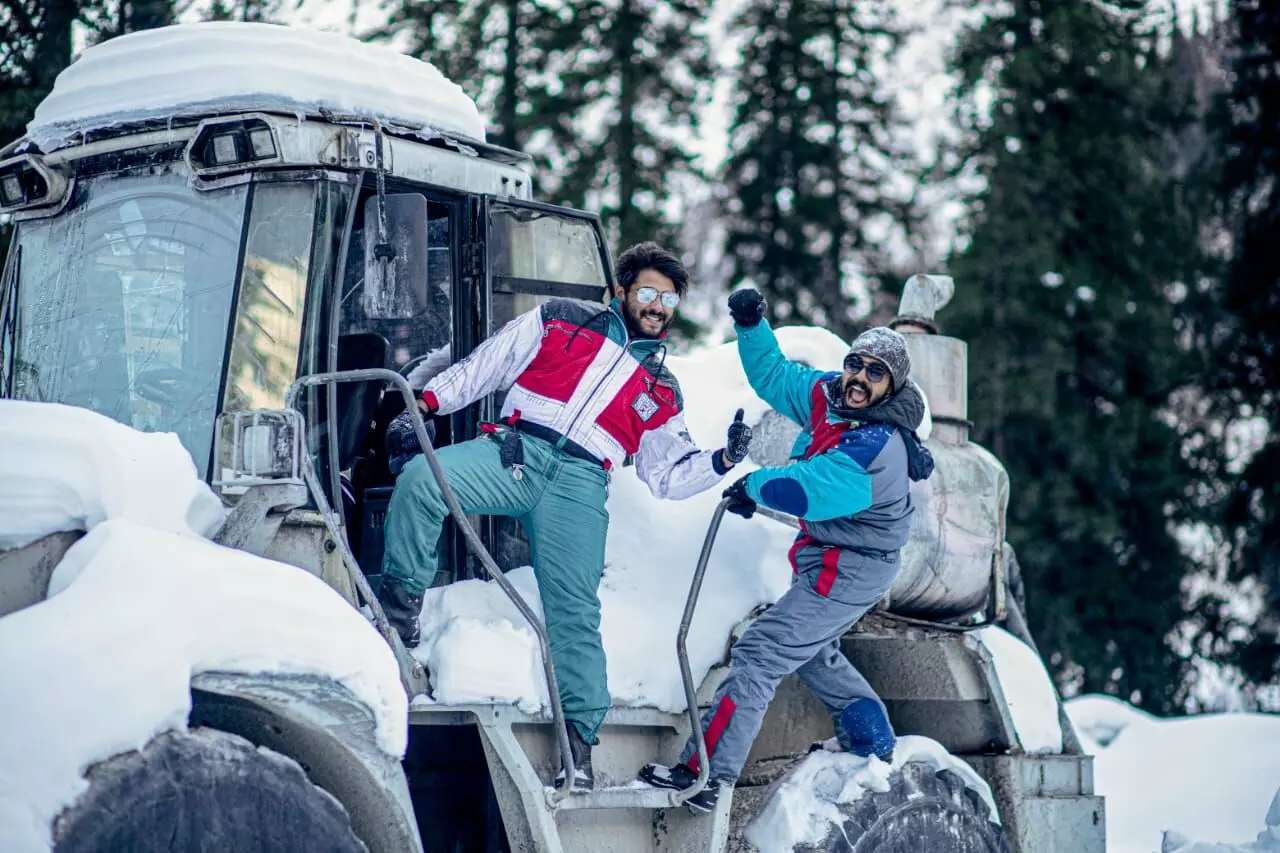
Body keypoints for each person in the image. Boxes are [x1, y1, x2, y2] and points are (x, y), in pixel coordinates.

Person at [376, 242, 753, 790]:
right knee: (421, 479)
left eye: (669, 299)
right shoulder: (561, 319)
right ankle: (400, 612)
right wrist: (428, 405)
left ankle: (578, 749)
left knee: (575, 611)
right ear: (621, 291)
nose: (657, 306)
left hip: (581, 484)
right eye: (648, 292)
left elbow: (667, 475)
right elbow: (488, 364)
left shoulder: (661, 388)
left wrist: (723, 459)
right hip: (516, 453)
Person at [638, 287, 934, 813]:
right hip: (827, 554)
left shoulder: (878, 448)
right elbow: (775, 378)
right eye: (856, 364)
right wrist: (751, 325)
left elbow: (810, 490)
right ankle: (872, 743)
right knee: (813, 651)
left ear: (892, 386)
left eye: (876, 373)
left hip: (853, 567)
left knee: (762, 651)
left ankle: (706, 776)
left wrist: (752, 487)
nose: (860, 378)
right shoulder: (830, 396)